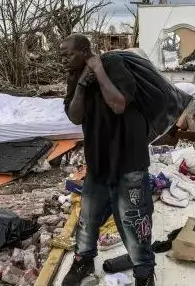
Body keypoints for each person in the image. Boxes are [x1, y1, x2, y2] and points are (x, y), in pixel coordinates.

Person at [60, 35, 156, 286]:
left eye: (68, 54)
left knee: (134, 218)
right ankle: (83, 261)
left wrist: (98, 70)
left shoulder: (113, 64)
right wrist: (81, 84)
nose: (63, 60)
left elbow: (118, 104)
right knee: (88, 216)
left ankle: (144, 274)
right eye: (61, 55)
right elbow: (74, 116)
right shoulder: (75, 76)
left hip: (129, 158)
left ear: (85, 51)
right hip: (99, 160)